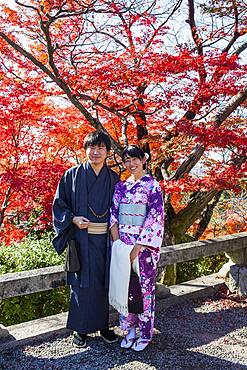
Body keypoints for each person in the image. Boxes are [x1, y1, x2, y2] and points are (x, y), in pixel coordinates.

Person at [52, 130, 119, 348]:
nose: (96, 152)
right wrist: (72, 219)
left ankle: (104, 326)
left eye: (101, 148)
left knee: (104, 283)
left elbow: (122, 211)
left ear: (108, 152)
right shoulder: (71, 175)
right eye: (92, 147)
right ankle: (80, 329)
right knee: (81, 285)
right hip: (81, 240)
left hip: (106, 242)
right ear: (85, 150)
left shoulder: (114, 179)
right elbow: (59, 204)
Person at [110, 145, 164, 352]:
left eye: (135, 159)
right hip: (123, 245)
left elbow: (155, 218)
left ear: (143, 159)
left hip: (143, 249)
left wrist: (139, 246)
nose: (131, 164)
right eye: (127, 161)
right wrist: (117, 243)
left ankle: (145, 332)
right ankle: (129, 330)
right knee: (124, 288)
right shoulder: (121, 187)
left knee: (144, 290)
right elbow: (113, 214)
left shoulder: (153, 186)